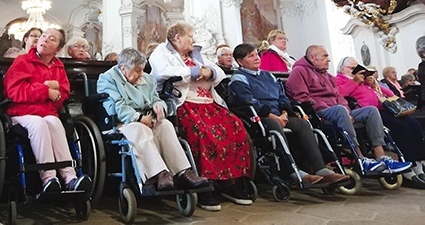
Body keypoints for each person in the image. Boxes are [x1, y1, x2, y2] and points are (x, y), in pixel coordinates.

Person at [149, 22, 251, 210]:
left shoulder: (196, 54)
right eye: (190, 36)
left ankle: (231, 183)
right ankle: (205, 187)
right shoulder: (161, 52)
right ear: (177, 37)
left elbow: (219, 72)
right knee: (203, 133)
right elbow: (162, 72)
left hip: (209, 102)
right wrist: (193, 71)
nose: (193, 40)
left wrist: (209, 71)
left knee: (236, 127)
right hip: (184, 103)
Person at [229, 43, 348, 187]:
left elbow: (283, 97)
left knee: (303, 124)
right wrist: (274, 117)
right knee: (274, 125)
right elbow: (248, 101)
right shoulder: (239, 78)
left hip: (279, 114)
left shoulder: (268, 76)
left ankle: (320, 168)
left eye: (256, 54)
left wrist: (285, 113)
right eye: (250, 56)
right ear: (240, 61)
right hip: (259, 117)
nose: (256, 58)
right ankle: (292, 172)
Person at [98, 48, 209, 195]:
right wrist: (138, 118)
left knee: (165, 125)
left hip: (148, 118)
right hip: (121, 122)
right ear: (123, 68)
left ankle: (183, 172)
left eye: (142, 70)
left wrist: (159, 105)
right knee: (139, 129)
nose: (140, 75)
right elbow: (117, 105)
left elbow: (156, 98)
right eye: (137, 70)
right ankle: (160, 174)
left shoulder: (147, 78)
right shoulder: (107, 79)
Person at [285, 45, 411, 174]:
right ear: (313, 58)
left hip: (339, 109)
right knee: (339, 110)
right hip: (318, 111)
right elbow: (302, 97)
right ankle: (360, 157)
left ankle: (381, 155)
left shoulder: (327, 75)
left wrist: (347, 110)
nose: (328, 60)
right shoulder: (299, 71)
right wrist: (332, 108)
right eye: (325, 56)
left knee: (371, 111)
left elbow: (338, 95)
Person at [3, 27, 92, 195]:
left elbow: (62, 95)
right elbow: (14, 92)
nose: (44, 40)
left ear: (58, 48)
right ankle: (49, 179)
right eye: (44, 36)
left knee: (54, 122)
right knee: (38, 123)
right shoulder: (22, 61)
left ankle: (70, 178)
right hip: (21, 113)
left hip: (47, 113)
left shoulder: (58, 67)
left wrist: (54, 94)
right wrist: (45, 90)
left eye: (52, 39)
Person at [336, 58, 425, 187]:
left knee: (415, 125)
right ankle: (408, 165)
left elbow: (390, 94)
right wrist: (355, 82)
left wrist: (374, 84)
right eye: (352, 69)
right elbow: (340, 94)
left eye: (358, 69)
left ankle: (418, 164)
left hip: (385, 108)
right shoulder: (340, 79)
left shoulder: (364, 81)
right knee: (402, 127)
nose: (356, 71)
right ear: (342, 68)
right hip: (368, 113)